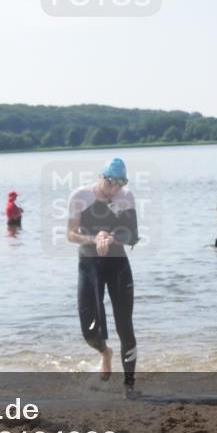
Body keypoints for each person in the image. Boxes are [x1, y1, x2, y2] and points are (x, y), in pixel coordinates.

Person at [67, 158, 139, 396]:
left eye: (120, 185)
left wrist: (112, 239)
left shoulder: (126, 197)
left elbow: (132, 234)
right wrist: (94, 238)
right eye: (111, 185)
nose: (115, 191)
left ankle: (129, 386)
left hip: (117, 265)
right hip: (89, 265)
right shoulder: (80, 196)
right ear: (102, 178)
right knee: (89, 330)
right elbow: (70, 233)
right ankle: (104, 353)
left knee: (125, 327)